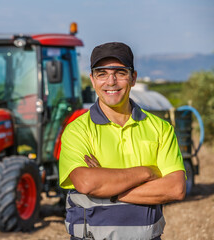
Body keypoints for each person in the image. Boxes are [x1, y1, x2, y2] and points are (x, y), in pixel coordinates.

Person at [59, 42, 186, 240]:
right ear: (92, 80)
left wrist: (108, 188)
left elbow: (175, 188)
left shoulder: (161, 129)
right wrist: (148, 172)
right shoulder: (77, 130)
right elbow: (87, 183)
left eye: (120, 73)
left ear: (133, 78)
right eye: (102, 74)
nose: (111, 82)